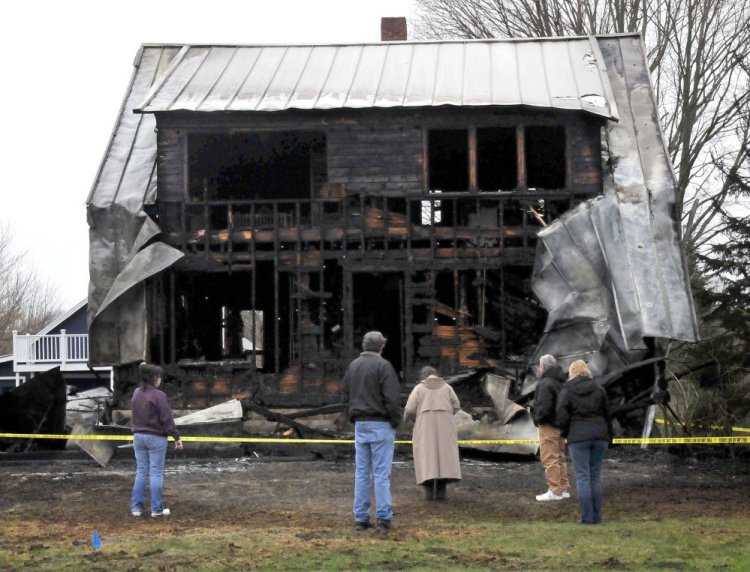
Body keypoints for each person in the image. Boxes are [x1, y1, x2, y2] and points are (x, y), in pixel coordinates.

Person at [342, 331, 403, 532]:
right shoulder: (384, 366)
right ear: (381, 347)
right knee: (381, 474)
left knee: (362, 472)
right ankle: (384, 518)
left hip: (361, 424)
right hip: (381, 424)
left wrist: (352, 417)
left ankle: (361, 518)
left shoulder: (353, 366)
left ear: (364, 345)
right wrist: (396, 420)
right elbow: (392, 399)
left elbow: (345, 396)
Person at [556, 359, 613, 525]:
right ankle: (597, 516)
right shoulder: (599, 389)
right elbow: (607, 414)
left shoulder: (567, 391)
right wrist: (609, 435)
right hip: (599, 436)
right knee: (595, 477)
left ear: (571, 372)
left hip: (578, 438)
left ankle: (587, 518)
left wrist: (566, 433)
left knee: (582, 477)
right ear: (587, 371)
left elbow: (562, 415)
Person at [130, 363, 183, 517]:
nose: (160, 379)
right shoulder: (159, 396)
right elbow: (167, 419)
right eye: (159, 377)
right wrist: (176, 437)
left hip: (138, 436)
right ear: (154, 378)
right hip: (156, 438)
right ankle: (156, 509)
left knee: (141, 472)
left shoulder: (136, 393)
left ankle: (136, 508)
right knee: (156, 473)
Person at [404, 366, 461, 500]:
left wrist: (411, 420)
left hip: (424, 427)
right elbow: (456, 405)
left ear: (424, 375)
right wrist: (446, 415)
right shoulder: (447, 388)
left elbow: (410, 409)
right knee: (444, 458)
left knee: (426, 458)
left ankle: (429, 493)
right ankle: (441, 492)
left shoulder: (419, 389)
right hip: (446, 427)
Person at [532, 354, 571, 501]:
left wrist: (537, 419)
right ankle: (564, 488)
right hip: (560, 425)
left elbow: (544, 407)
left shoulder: (545, 383)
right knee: (560, 457)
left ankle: (555, 491)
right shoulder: (561, 381)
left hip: (548, 425)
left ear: (543, 367)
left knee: (550, 458)